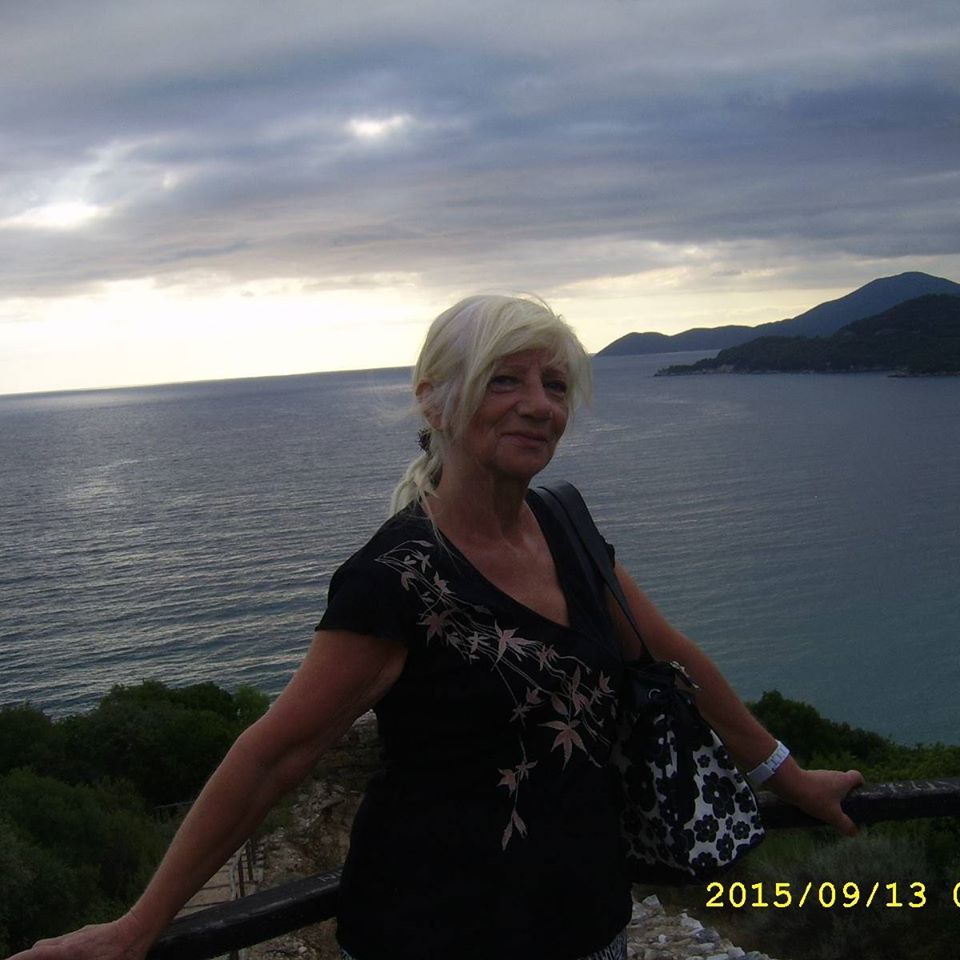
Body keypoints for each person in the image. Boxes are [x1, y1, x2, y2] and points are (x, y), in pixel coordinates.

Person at [9, 295, 863, 960]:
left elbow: (672, 661)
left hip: (591, 924)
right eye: (505, 380)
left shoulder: (565, 524)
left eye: (555, 385)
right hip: (434, 935)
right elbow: (274, 755)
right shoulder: (395, 579)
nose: (539, 405)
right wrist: (140, 926)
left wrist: (788, 775)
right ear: (435, 398)